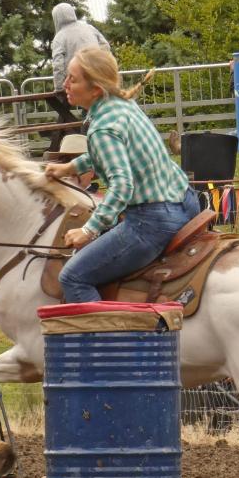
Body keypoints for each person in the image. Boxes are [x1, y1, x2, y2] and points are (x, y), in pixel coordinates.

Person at [44, 47, 200, 303]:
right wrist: (70, 168)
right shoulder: (123, 104)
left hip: (152, 222)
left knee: (72, 276)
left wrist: (89, 231)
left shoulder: (102, 127)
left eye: (73, 79)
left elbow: (121, 186)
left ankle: (105, 341)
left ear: (96, 89)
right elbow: (111, 154)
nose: (65, 85)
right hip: (186, 201)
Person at [50, 3, 110, 125]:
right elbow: (106, 46)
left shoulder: (60, 37)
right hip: (98, 76)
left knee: (85, 112)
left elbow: (58, 65)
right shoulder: (89, 28)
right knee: (96, 107)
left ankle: (86, 135)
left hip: (78, 79)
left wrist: (59, 88)